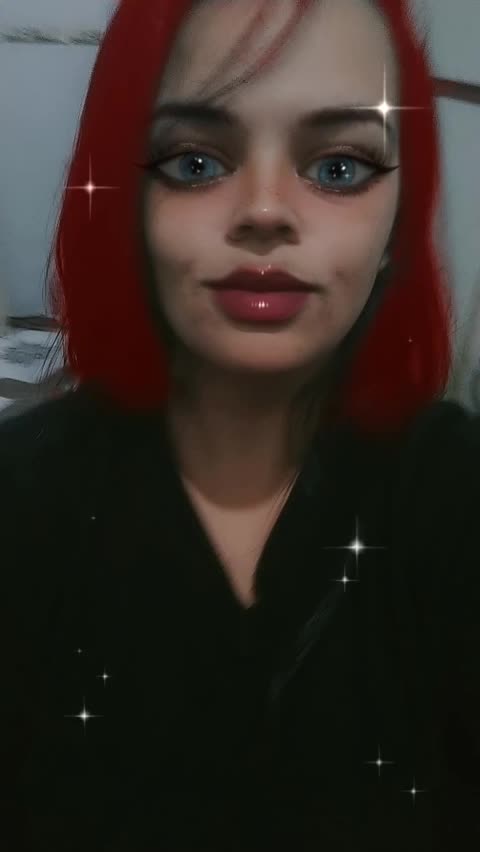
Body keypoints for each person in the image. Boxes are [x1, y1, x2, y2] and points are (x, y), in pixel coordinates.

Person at [1, 0, 479, 849]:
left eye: (339, 167)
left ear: (397, 226)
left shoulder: (451, 491)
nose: (264, 211)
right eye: (194, 161)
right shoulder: (23, 499)